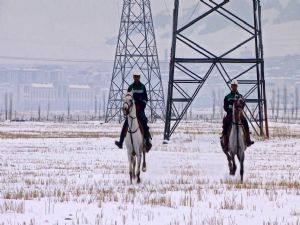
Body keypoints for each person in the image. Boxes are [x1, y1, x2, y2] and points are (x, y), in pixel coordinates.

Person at [115, 72, 152, 151]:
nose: (136, 78)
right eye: (135, 77)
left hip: (140, 110)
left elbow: (146, 99)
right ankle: (120, 142)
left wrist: (141, 106)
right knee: (125, 125)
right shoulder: (130, 87)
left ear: (139, 77)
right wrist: (128, 108)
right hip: (132, 111)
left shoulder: (143, 87)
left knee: (144, 122)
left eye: (137, 77)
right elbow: (127, 99)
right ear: (133, 77)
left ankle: (147, 143)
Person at [222, 79, 254, 147]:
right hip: (230, 114)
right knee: (225, 123)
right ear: (231, 86)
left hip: (239, 114)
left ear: (237, 86)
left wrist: (239, 108)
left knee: (245, 122)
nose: (234, 87)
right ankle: (225, 140)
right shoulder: (227, 97)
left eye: (235, 86)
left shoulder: (240, 96)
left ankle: (248, 140)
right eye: (233, 86)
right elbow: (225, 107)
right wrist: (230, 108)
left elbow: (243, 105)